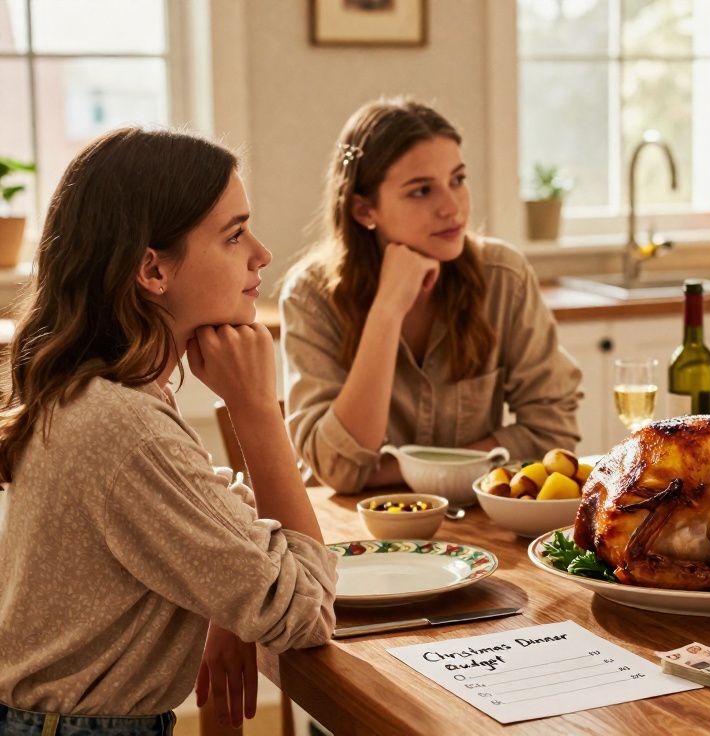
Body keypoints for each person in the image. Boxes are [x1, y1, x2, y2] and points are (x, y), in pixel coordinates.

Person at [0, 128, 336, 732]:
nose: (261, 254)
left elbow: (203, 507)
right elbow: (305, 608)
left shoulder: (101, 397)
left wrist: (227, 602)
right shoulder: (125, 430)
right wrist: (258, 411)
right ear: (152, 269)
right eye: (234, 235)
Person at [281, 98, 581, 493]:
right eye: (421, 191)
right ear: (363, 210)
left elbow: (553, 437)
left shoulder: (504, 277)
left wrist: (407, 470)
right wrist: (387, 311)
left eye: (457, 180)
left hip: (475, 524)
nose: (452, 207)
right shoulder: (311, 297)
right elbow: (338, 471)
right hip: (360, 533)